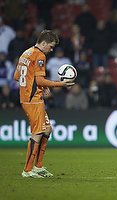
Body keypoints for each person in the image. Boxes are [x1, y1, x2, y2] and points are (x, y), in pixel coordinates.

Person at [13, 30, 74, 178]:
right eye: (51, 47)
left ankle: (38, 166)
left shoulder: (26, 53)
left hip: (27, 97)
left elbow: (16, 76)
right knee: (38, 133)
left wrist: (40, 86)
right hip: (33, 99)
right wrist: (61, 84)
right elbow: (39, 80)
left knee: (47, 129)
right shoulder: (40, 55)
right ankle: (27, 170)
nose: (51, 50)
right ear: (44, 43)